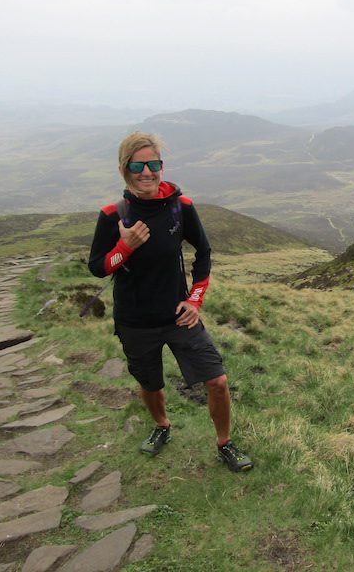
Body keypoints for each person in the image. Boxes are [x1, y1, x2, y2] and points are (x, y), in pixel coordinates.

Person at [88, 131, 253, 472]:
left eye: (154, 164)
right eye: (138, 165)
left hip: (180, 316)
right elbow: (99, 267)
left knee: (217, 381)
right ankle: (162, 426)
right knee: (150, 385)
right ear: (124, 169)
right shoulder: (112, 214)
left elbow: (203, 252)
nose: (146, 172)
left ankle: (225, 443)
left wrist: (195, 301)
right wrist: (125, 247)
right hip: (135, 321)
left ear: (161, 167)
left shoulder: (181, 207)